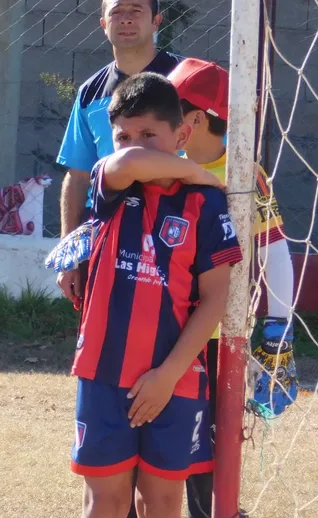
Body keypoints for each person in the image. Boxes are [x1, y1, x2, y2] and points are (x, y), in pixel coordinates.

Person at [66, 73, 240, 518]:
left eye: (150, 132)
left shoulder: (207, 207)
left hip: (176, 382)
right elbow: (129, 163)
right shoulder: (111, 183)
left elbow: (214, 299)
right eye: (124, 133)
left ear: (182, 132)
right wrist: (201, 171)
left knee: (161, 503)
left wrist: (168, 373)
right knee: (106, 502)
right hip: (104, 373)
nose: (134, 144)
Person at [106, 59, 297, 518]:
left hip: (210, 340)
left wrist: (278, 329)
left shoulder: (245, 174)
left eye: (173, 112)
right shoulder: (149, 165)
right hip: (143, 330)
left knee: (202, 460)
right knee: (128, 450)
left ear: (193, 120)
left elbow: (275, 251)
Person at [57, 0, 181, 304]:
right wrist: (68, 255)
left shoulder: (186, 79)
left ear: (157, 21)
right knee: (105, 328)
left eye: (136, 10)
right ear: (103, 24)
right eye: (116, 12)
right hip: (107, 232)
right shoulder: (90, 93)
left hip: (175, 229)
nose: (126, 19)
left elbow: (216, 157)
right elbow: (77, 177)